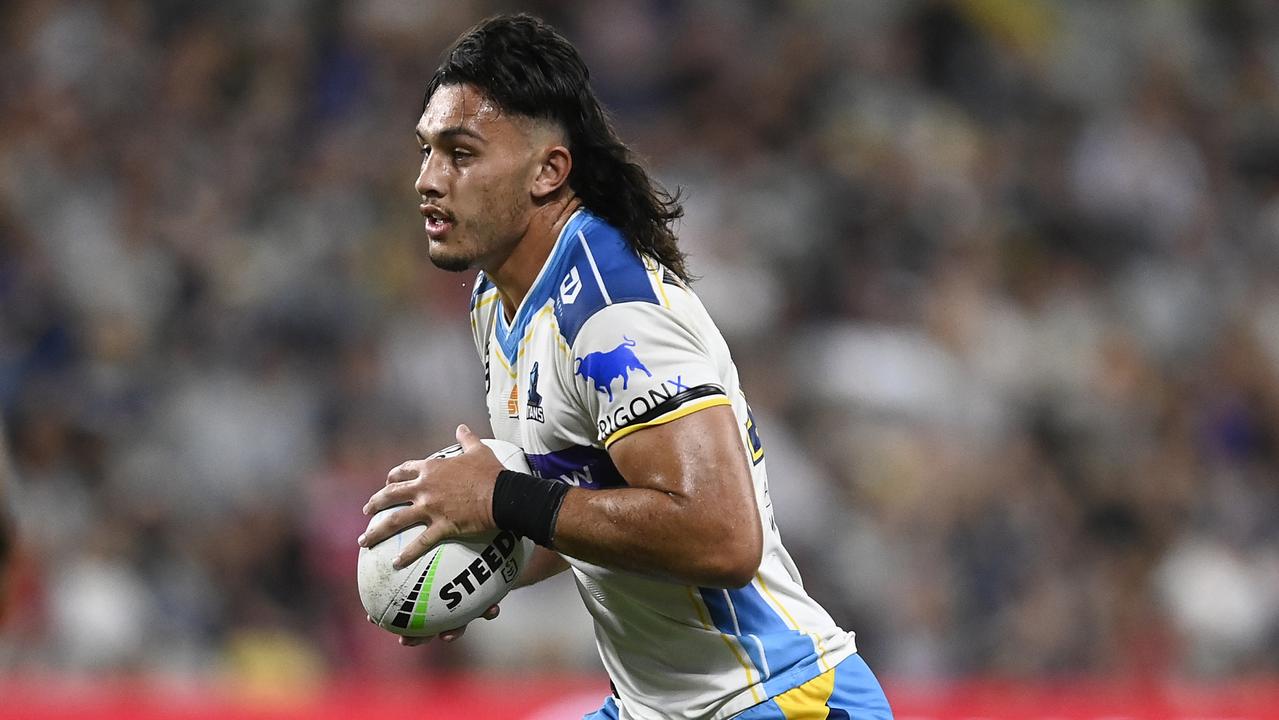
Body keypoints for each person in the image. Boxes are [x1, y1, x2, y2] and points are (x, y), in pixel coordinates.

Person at [358, 14, 894, 720]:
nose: (427, 179)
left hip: (773, 699)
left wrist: (502, 502)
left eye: (461, 153)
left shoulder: (611, 311)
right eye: (427, 150)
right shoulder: (499, 297)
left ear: (549, 170)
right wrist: (487, 563)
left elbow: (721, 537)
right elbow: (595, 497)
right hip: (660, 706)